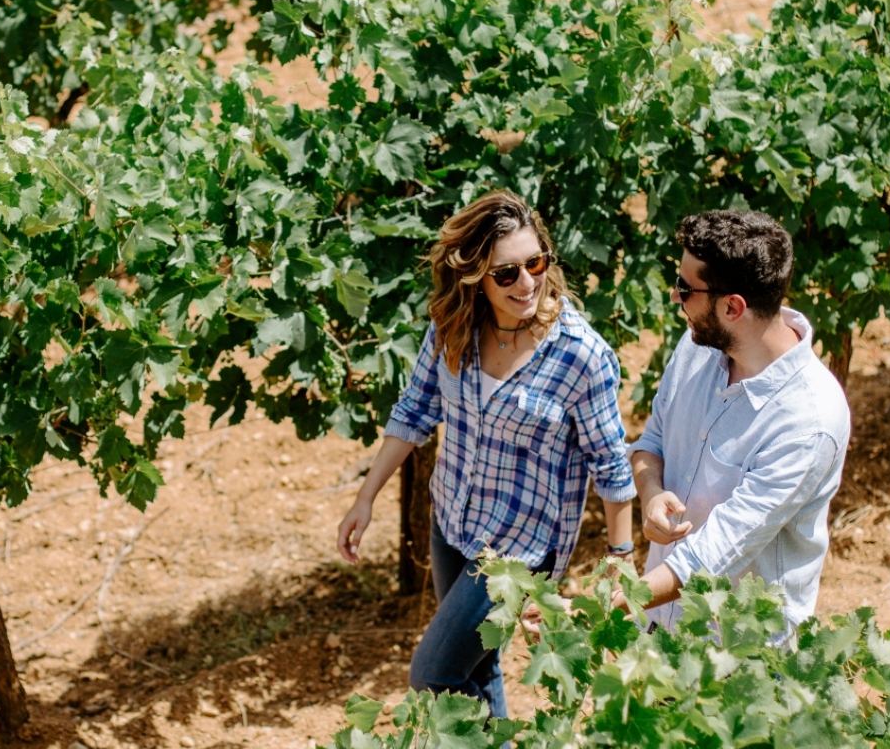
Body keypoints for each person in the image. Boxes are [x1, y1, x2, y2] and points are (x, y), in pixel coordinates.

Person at [335, 190, 634, 718]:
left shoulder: (580, 356)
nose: (527, 283)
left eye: (535, 263)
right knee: (478, 667)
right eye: (506, 273)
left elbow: (609, 463)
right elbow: (415, 410)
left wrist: (620, 556)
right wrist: (365, 498)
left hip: (516, 549)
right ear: (475, 276)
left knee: (434, 673)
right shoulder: (454, 327)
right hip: (452, 518)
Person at [626, 209, 851, 634]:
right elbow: (651, 442)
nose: (674, 297)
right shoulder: (696, 346)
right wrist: (651, 493)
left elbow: (713, 556)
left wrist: (603, 605)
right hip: (658, 624)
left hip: (737, 656)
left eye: (685, 288)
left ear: (732, 306)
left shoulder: (809, 421)